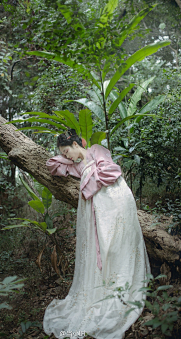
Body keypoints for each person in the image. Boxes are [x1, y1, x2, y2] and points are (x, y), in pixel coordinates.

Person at [43, 129, 151, 339]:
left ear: (76, 144)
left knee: (116, 245)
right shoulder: (76, 165)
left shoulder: (96, 150)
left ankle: (121, 288)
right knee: (104, 246)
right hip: (97, 210)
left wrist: (87, 180)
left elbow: (111, 172)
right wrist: (66, 157)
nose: (66, 157)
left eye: (67, 151)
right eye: (64, 154)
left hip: (116, 202)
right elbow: (51, 165)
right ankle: (105, 287)